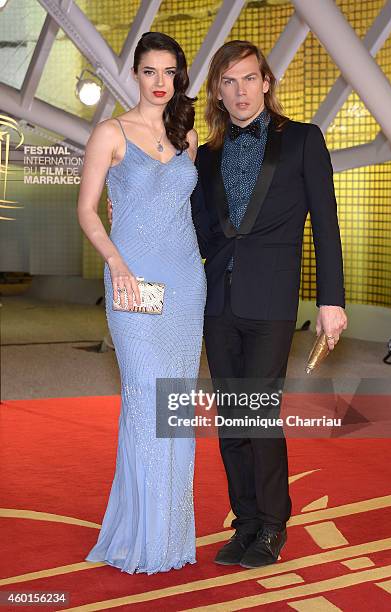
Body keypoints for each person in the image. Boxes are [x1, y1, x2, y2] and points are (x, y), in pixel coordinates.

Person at [191, 40, 347, 569]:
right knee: (231, 421)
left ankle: (273, 526)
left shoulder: (302, 140)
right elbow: (201, 231)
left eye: (249, 79)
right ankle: (246, 521)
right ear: (217, 89)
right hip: (217, 302)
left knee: (259, 413)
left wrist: (331, 301)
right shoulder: (206, 155)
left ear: (266, 82)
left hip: (272, 301)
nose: (240, 91)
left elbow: (326, 225)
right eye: (228, 81)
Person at [77, 32, 206, 575]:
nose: (160, 82)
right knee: (146, 400)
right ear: (135, 74)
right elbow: (87, 212)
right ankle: (143, 536)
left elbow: (184, 213)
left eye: (169, 72)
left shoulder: (188, 135)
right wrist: (118, 264)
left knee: (174, 408)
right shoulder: (110, 132)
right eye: (150, 72)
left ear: (178, 76)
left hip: (183, 286)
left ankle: (171, 537)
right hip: (133, 285)